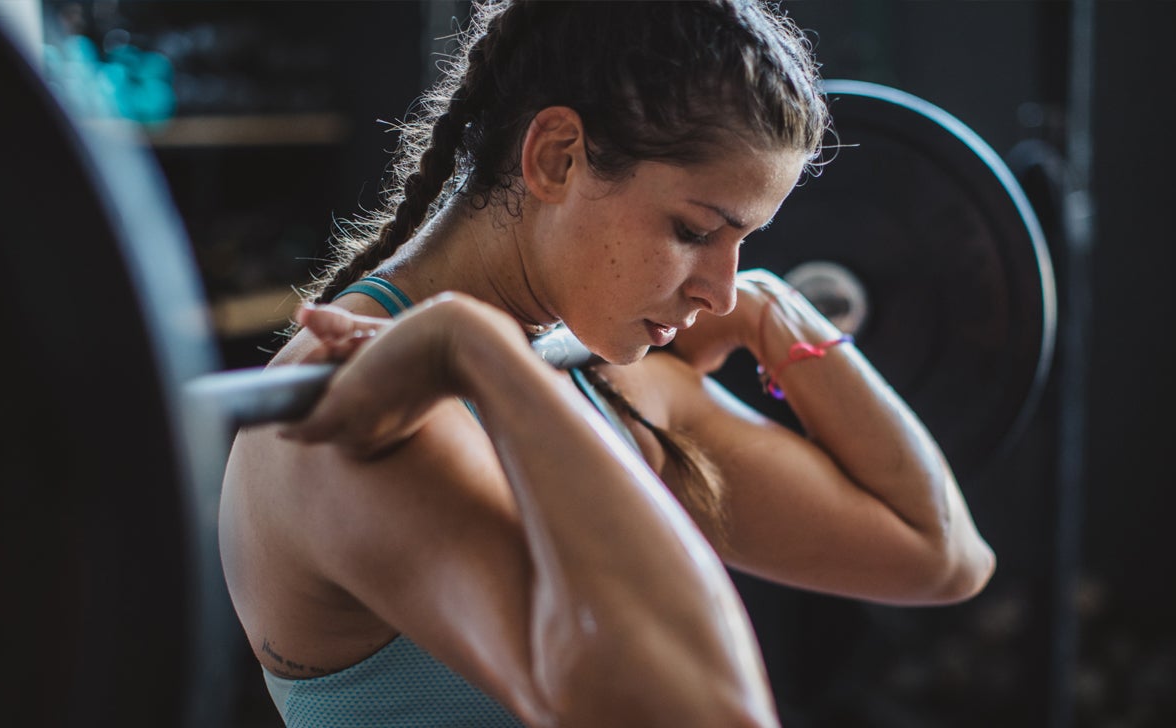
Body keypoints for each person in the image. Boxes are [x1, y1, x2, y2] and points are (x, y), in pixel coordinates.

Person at [219, 1, 996, 726]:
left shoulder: (588, 367)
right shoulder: (357, 415)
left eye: (743, 246)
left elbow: (940, 555)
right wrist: (477, 348)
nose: (719, 293)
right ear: (557, 158)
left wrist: (781, 315)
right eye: (695, 232)